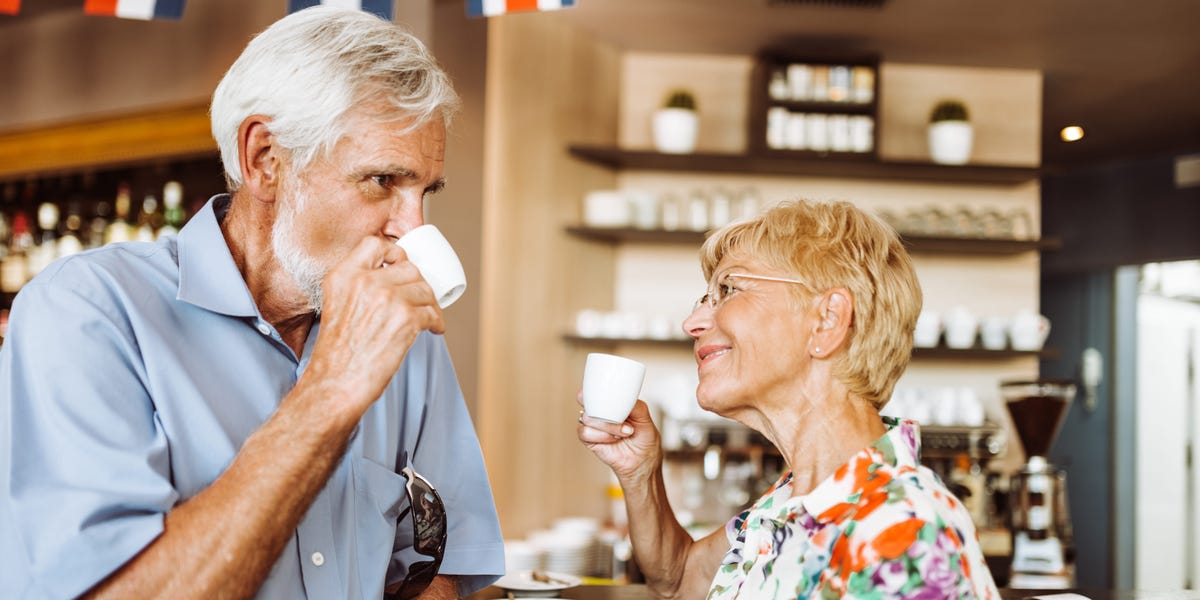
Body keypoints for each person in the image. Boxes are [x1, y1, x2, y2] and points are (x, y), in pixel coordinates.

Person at [0, 7, 504, 599]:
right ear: (265, 158)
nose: (413, 227)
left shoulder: (406, 330)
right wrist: (332, 388)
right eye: (382, 182)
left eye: (425, 190)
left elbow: (445, 566)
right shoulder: (86, 311)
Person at [578, 199, 1000, 599]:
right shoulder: (793, 498)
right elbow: (680, 579)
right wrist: (641, 474)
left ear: (827, 321)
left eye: (728, 289)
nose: (693, 322)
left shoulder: (905, 533)